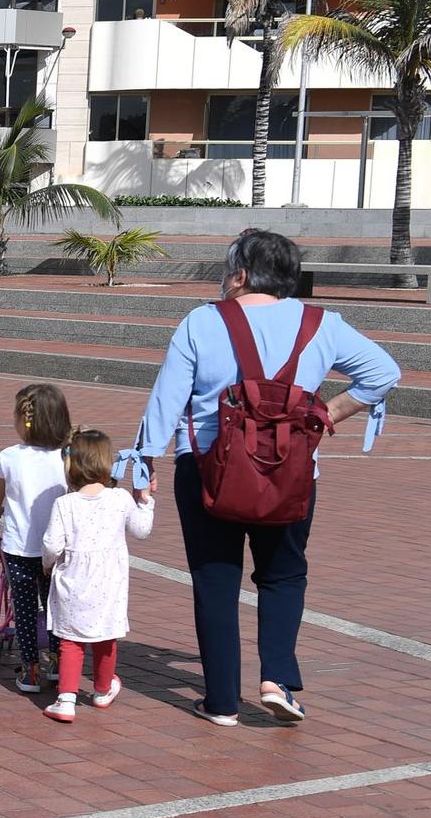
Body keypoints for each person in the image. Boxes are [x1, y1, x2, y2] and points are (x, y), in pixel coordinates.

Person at [132, 228, 401, 727]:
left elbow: (168, 398)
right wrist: (329, 413)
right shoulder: (324, 324)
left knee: (215, 579)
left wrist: (145, 460)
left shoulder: (201, 322)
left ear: (239, 274)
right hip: (291, 472)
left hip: (208, 467)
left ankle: (222, 702)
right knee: (283, 574)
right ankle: (276, 679)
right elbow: (383, 372)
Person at [39, 429, 154, 724]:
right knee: (106, 638)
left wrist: (47, 563)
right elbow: (142, 530)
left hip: (72, 582)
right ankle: (102, 690)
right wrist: (146, 500)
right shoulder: (119, 498)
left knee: (71, 641)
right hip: (109, 583)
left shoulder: (65, 503)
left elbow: (52, 544)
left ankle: (66, 699)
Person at [0, 382, 72, 693]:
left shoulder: (10, 457)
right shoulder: (67, 457)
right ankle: (60, 660)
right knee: (56, 604)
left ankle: (30, 666)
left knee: (22, 606)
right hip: (58, 548)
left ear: (24, 420)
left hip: (20, 546)